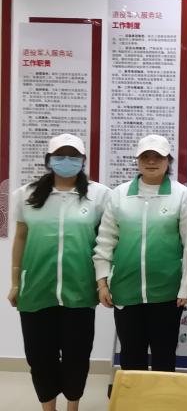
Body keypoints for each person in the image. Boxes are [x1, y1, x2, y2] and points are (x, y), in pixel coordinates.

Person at [8, 134, 110, 411]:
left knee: (78, 355)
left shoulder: (99, 196)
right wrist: (15, 282)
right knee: (40, 357)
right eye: (60, 156)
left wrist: (102, 282)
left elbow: (106, 242)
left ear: (83, 161)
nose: (67, 161)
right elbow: (20, 238)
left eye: (73, 156)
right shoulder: (26, 195)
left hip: (80, 290)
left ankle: (72, 406)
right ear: (49, 160)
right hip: (36, 289)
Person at [93, 134, 187, 372]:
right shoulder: (119, 194)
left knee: (164, 356)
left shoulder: (181, 194)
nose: (151, 161)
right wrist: (102, 283)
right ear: (137, 161)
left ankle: (161, 395)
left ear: (168, 161)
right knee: (131, 356)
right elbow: (105, 240)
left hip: (168, 293)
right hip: (126, 290)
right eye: (145, 156)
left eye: (158, 156)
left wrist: (186, 286)